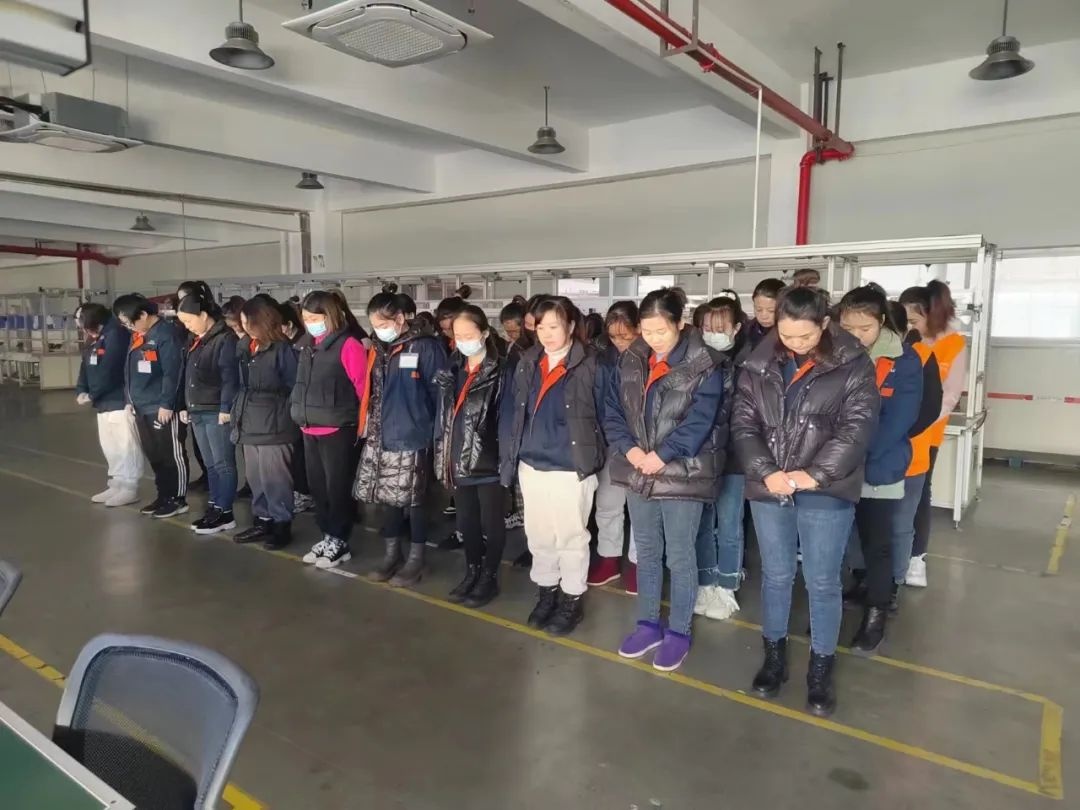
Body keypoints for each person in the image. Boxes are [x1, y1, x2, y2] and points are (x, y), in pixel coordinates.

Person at [732, 286, 878, 717]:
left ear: (825, 324)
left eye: (806, 336)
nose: (795, 344)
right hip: (771, 485)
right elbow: (743, 424)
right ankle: (773, 658)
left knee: (822, 580)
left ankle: (820, 668)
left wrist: (813, 475)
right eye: (787, 335)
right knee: (776, 575)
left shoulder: (854, 365)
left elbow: (856, 429)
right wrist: (767, 472)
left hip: (825, 489)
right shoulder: (757, 363)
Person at [604, 289, 726, 672]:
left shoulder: (705, 363)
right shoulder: (631, 359)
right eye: (647, 331)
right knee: (646, 550)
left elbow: (702, 419)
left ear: (680, 323)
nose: (654, 338)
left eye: (661, 331)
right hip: (639, 468)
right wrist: (630, 450)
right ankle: (647, 624)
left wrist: (662, 454)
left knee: (680, 553)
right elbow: (612, 409)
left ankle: (678, 632)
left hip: (681, 473)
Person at [500, 296, 605, 637]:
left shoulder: (591, 364)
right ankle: (547, 591)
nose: (546, 334)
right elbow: (515, 411)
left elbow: (606, 415)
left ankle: (571, 598)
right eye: (540, 327)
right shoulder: (528, 361)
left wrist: (592, 455)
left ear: (571, 326)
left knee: (571, 537)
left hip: (570, 468)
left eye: (554, 326)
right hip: (532, 464)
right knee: (539, 535)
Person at [837, 286, 922, 654]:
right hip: (837, 467)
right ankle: (850, 595)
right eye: (848, 328)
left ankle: (876, 614)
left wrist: (850, 455)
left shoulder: (904, 361)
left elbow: (898, 421)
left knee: (878, 543)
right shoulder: (833, 353)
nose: (856, 336)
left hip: (877, 465)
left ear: (882, 322)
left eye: (865, 328)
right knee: (844, 539)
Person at [355, 291, 446, 586]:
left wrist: (435, 435)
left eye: (383, 324)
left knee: (415, 500)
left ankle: (416, 560)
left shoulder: (425, 347)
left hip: (413, 434)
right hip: (381, 434)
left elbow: (439, 394)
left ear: (400, 318)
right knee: (388, 499)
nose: (379, 330)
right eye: (374, 325)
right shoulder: (379, 348)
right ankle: (391, 554)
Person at [433, 305, 512, 606]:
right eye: (458, 336)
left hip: (488, 461)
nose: (464, 341)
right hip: (458, 458)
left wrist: (505, 461)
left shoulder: (501, 370)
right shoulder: (452, 370)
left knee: (492, 523)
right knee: (467, 522)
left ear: (485, 333)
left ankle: (489, 576)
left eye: (470, 335)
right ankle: (473, 571)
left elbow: (506, 419)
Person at [290, 291, 369, 569]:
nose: (310, 323)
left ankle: (340, 539)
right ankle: (326, 535)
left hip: (338, 429)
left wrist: (363, 425)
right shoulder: (306, 345)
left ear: (330, 316)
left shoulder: (348, 345)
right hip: (310, 427)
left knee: (338, 488)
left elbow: (363, 388)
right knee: (318, 488)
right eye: (306, 318)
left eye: (315, 318)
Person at [898, 280, 968, 587]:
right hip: (895, 431)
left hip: (927, 432)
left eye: (913, 320)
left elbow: (950, 395)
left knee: (919, 492)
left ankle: (917, 558)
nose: (908, 326)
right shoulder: (904, 340)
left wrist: (920, 422)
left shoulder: (952, 343)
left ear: (931, 314)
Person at [693, 291, 751, 621]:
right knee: (703, 524)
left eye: (720, 328)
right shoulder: (695, 362)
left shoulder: (749, 364)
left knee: (729, 523)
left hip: (734, 458)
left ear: (736, 328)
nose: (713, 334)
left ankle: (727, 585)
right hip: (700, 457)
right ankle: (706, 582)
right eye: (707, 327)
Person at [885, 301, 942, 607]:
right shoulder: (867, 356)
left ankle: (893, 583)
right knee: (866, 526)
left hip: (910, 456)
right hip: (871, 457)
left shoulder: (921, 356)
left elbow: (930, 407)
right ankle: (865, 579)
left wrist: (896, 436)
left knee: (900, 524)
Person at [113, 294, 190, 519]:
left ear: (144, 315)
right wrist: (129, 400)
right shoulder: (139, 335)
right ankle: (163, 495)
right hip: (141, 406)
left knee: (171, 454)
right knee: (154, 454)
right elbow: (129, 371)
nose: (128, 327)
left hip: (161, 407)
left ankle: (177, 499)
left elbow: (172, 373)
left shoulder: (166, 335)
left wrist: (167, 404)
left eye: (129, 322)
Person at [232, 297, 300, 549]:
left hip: (274, 425)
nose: (243, 326)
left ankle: (282, 524)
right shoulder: (246, 348)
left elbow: (294, 387)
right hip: (249, 422)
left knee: (276, 479)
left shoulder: (282, 351)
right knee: (256, 477)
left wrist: (283, 414)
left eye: (246, 321)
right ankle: (262, 520)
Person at [587, 300, 641, 593]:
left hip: (642, 445)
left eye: (626, 336)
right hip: (610, 441)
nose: (620, 342)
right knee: (608, 503)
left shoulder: (650, 358)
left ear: (639, 330)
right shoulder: (602, 360)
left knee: (640, 505)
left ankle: (638, 563)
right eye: (614, 336)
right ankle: (608, 558)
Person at [176, 292, 240, 535]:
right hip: (198, 409)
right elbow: (188, 376)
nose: (187, 325)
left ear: (203, 315)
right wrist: (185, 405)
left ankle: (225, 512)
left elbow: (229, 377)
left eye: (189, 320)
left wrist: (226, 407)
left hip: (216, 411)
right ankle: (215, 505)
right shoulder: (196, 340)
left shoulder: (224, 339)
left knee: (223, 463)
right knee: (210, 464)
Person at [75, 303, 144, 507]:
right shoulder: (95, 338)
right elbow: (86, 365)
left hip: (119, 401)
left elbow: (111, 369)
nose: (81, 327)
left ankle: (130, 487)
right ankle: (116, 482)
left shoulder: (116, 335)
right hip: (103, 403)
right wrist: (81, 389)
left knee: (126, 445)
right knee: (110, 445)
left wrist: (93, 393)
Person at [748, 278, 785, 348]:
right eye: (759, 309)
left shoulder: (791, 334)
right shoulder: (746, 330)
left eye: (771, 311)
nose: (764, 316)